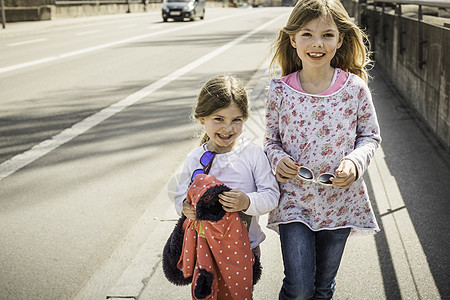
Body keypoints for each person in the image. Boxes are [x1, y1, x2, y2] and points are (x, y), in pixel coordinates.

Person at [264, 0, 382, 299]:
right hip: (294, 202)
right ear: (293, 39)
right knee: (299, 288)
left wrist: (355, 163)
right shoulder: (279, 89)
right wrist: (278, 159)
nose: (317, 44)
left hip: (339, 203)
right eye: (307, 34)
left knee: (322, 288)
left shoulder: (354, 88)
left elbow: (370, 136)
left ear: (340, 39)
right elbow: (270, 141)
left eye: (327, 35)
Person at [173, 74, 280, 298]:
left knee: (239, 294)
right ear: (202, 118)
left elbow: (271, 195)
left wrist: (247, 201)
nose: (228, 128)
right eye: (218, 119)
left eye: (236, 120)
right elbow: (182, 194)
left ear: (245, 118)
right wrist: (184, 206)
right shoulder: (196, 158)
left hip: (246, 246)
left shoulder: (252, 155)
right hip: (205, 247)